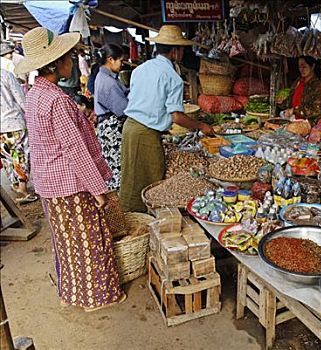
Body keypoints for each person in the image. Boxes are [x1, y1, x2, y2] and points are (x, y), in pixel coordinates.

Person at [14, 27, 125, 312]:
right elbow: (75, 149)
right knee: (90, 240)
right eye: (69, 57)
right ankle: (96, 298)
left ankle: (72, 293)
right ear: (56, 63)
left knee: (67, 241)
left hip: (50, 184)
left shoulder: (36, 93)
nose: (73, 62)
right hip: (70, 184)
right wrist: (98, 190)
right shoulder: (57, 101)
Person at [120, 25, 214, 212]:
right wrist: (200, 125)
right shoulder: (172, 77)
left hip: (129, 127)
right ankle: (141, 218)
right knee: (150, 179)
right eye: (181, 49)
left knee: (130, 175)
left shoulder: (141, 69)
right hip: (145, 133)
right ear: (175, 51)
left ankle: (131, 215)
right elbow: (177, 116)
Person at [94, 44, 128, 191]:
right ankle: (119, 202)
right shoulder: (108, 82)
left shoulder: (106, 77)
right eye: (120, 61)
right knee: (116, 166)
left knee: (112, 164)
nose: (122, 64)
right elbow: (123, 110)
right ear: (110, 59)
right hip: (111, 127)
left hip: (108, 125)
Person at [0, 68, 37, 204]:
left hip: (1, 129)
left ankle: (16, 185)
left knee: (8, 158)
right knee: (21, 156)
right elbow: (21, 99)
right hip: (14, 122)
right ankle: (22, 188)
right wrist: (30, 117)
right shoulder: (5, 75)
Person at [277, 56, 321, 124]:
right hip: (293, 120)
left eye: (304, 67)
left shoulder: (318, 86)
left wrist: (295, 110)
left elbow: (316, 110)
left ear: (312, 66)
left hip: (308, 124)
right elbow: (290, 100)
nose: (301, 70)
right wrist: (281, 102)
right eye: (299, 67)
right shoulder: (298, 81)